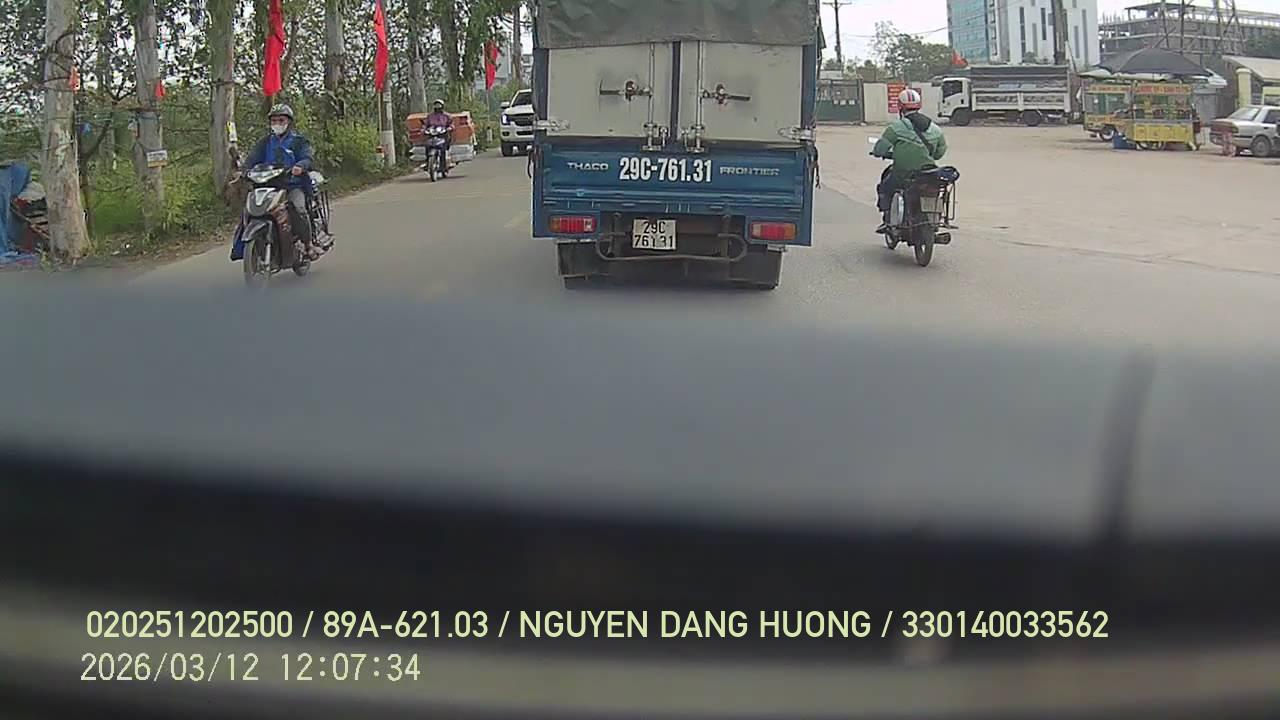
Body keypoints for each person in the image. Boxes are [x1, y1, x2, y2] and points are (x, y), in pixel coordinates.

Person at [871, 89, 948, 234]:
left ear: (900, 107)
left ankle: (887, 221)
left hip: (903, 174)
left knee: (885, 187)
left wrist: (881, 153)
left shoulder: (895, 128)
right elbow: (939, 153)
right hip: (928, 174)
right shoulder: (935, 129)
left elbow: (880, 149)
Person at [244, 103, 317, 253]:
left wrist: (300, 166)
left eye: (281, 120)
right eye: (274, 121)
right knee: (249, 210)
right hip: (267, 186)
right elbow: (252, 159)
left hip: (291, 185)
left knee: (298, 209)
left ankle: (308, 244)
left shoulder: (299, 141)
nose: (277, 124)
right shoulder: (265, 142)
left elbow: (307, 157)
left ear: (289, 122)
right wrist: (244, 170)